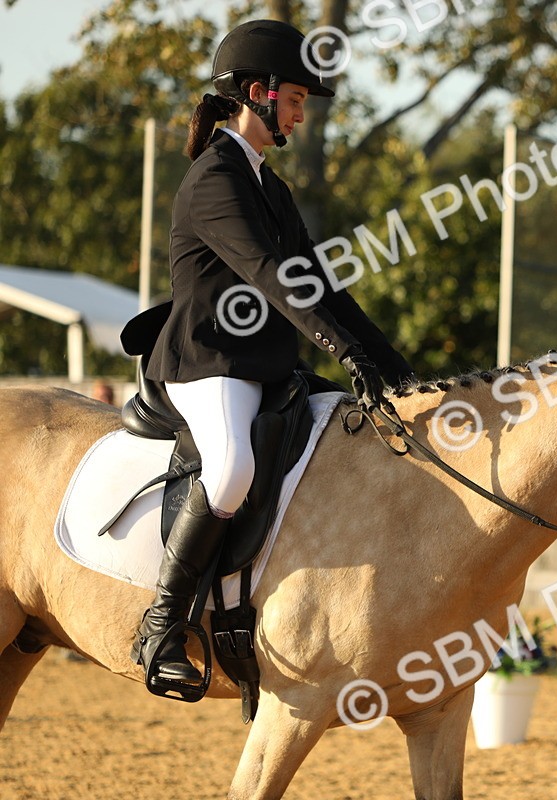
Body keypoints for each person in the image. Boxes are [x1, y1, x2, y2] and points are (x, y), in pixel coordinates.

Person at [128, 19, 414, 689]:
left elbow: (317, 282)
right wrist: (340, 348)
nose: (300, 113)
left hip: (264, 363)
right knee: (229, 470)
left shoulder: (267, 183)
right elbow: (269, 274)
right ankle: (163, 623)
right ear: (257, 92)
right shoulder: (215, 179)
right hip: (207, 362)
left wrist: (388, 361)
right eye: (295, 99)